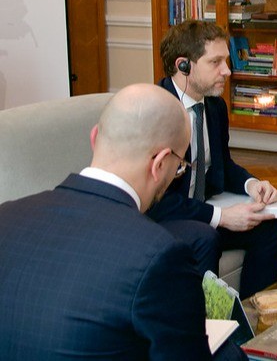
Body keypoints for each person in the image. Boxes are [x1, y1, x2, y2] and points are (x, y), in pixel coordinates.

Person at [0, 84, 245, 360]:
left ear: (95, 138)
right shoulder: (161, 255)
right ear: (159, 164)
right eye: (178, 167)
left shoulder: (5, 216)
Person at [149, 20, 277, 298]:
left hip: (202, 213)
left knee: (273, 226)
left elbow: (221, 164)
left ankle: (251, 313)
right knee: (207, 238)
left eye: (225, 60)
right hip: (164, 219)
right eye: (215, 62)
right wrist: (222, 217)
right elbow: (156, 201)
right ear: (183, 65)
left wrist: (252, 184)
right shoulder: (155, 111)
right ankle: (210, 322)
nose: (227, 70)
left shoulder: (214, 106)